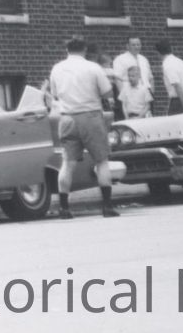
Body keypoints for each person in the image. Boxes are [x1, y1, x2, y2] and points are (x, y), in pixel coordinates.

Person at [46, 35, 121, 218]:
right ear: (85, 50)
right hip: (91, 116)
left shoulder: (57, 68)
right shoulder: (93, 67)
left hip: (67, 118)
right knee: (101, 161)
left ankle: (64, 207)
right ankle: (107, 206)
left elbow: (55, 94)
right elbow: (107, 93)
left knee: (67, 163)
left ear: (67, 50)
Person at [111, 36, 154, 118]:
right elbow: (117, 78)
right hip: (130, 95)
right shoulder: (120, 59)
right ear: (127, 46)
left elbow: (151, 78)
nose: (136, 47)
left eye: (138, 44)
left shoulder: (144, 59)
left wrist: (151, 92)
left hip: (145, 94)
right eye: (133, 45)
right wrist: (125, 95)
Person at [157, 39, 183, 114]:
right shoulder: (181, 62)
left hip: (178, 101)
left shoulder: (167, 64)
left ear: (158, 53)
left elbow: (177, 85)